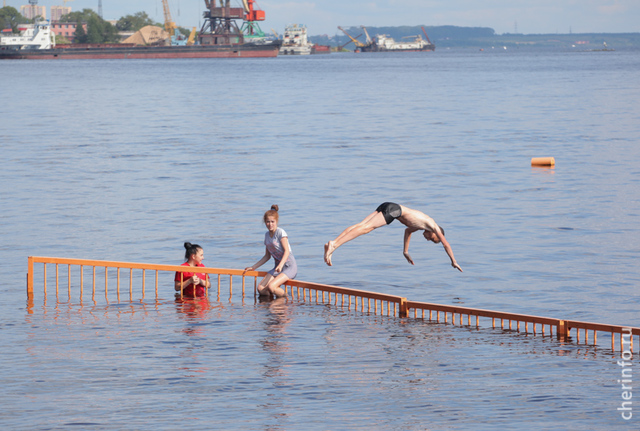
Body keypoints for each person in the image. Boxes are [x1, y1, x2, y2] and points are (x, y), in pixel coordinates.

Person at [323, 202, 463, 271]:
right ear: (436, 233)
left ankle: (333, 243)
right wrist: (453, 261)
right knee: (366, 229)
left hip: (389, 205)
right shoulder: (434, 225)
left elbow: (408, 231)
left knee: (361, 225)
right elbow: (446, 244)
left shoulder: (422, 225)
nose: (428, 239)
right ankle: (334, 246)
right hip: (395, 211)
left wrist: (405, 252)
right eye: (432, 239)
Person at [245, 205, 298, 297]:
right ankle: (273, 304)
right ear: (265, 222)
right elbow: (267, 256)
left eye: (272, 222)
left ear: (276, 221)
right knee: (261, 289)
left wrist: (281, 265)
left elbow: (287, 251)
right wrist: (253, 267)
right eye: (268, 222)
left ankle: (288, 300)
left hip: (289, 267)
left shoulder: (280, 232)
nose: (270, 224)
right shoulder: (266, 236)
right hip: (277, 268)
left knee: (272, 287)